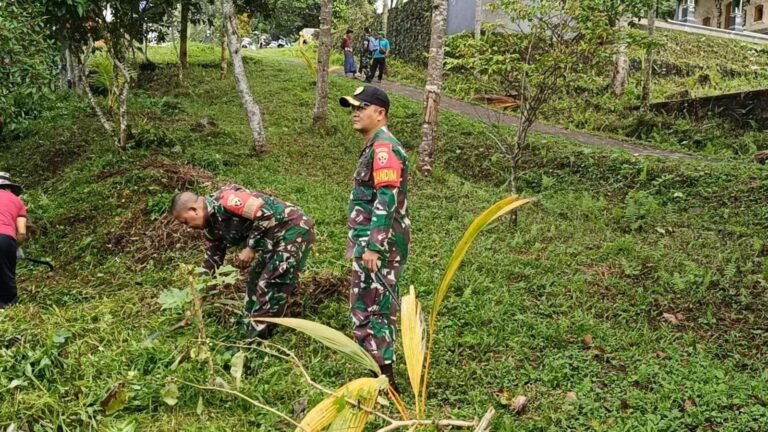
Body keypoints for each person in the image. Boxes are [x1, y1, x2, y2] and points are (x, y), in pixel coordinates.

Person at [171, 185, 315, 338]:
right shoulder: (210, 230)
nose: (188, 227)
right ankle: (248, 327)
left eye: (186, 222)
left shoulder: (227, 200)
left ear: (194, 210)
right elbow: (211, 266)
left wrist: (250, 247)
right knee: (254, 280)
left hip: (294, 230)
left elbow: (264, 212)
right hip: (273, 240)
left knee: (270, 283)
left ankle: (256, 341)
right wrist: (196, 304)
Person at [339, 86, 410, 393]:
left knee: (375, 309)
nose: (355, 112)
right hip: (368, 242)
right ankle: (374, 376)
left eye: (361, 106)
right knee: (363, 307)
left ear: (380, 113)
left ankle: (385, 384)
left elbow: (386, 197)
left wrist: (373, 246)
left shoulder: (384, 149)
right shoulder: (373, 146)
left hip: (378, 246)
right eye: (352, 107)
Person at [0, 172, 27, 309]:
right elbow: (22, 232)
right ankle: (9, 307)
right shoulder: (17, 201)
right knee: (6, 273)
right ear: (9, 188)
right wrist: (14, 247)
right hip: (5, 237)